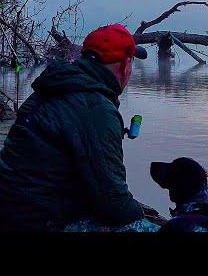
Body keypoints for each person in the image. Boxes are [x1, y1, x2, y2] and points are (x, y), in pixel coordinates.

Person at [0, 24, 159, 232]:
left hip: (12, 208)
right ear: (125, 66)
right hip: (38, 221)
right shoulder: (97, 109)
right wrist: (139, 214)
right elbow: (114, 205)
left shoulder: (55, 86)